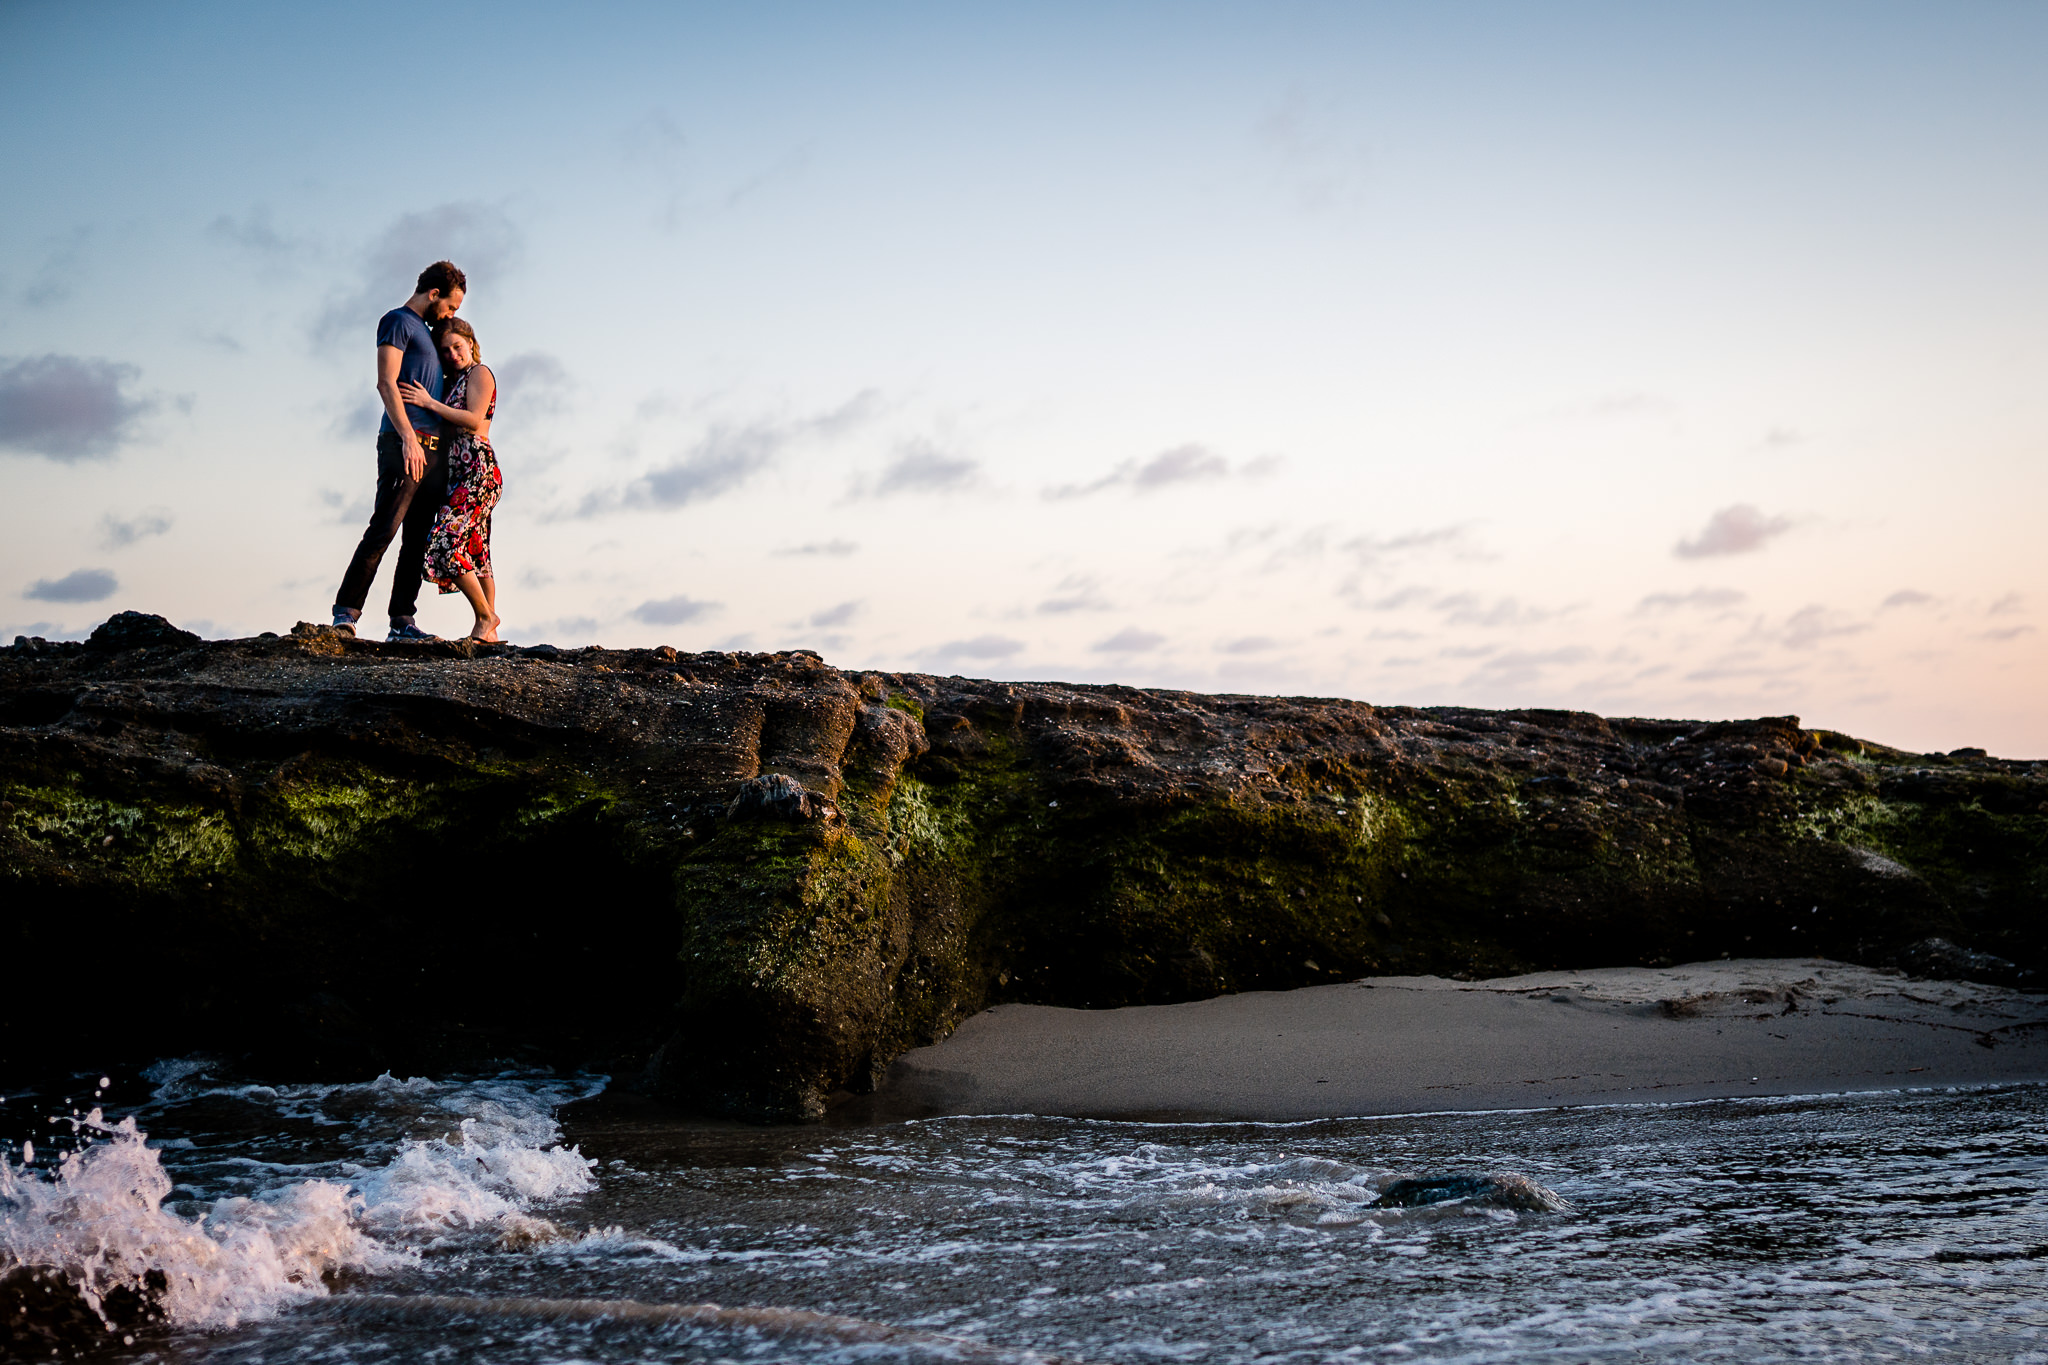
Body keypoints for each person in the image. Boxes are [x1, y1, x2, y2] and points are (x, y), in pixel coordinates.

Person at [329, 260, 466, 641]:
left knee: (417, 540)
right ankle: (346, 614)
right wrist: (407, 436)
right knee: (384, 528)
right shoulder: (398, 322)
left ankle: (402, 622)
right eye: (451, 307)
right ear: (434, 294)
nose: (452, 315)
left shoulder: (427, 332)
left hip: (434, 451)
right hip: (404, 443)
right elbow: (386, 383)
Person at [400, 317, 502, 641]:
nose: (453, 355)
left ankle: (486, 617)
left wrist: (430, 403)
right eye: (446, 351)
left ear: (471, 343)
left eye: (458, 346)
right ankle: (491, 637)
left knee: (444, 543)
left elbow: (473, 419)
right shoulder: (455, 380)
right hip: (459, 474)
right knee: (478, 553)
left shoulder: (480, 374)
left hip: (478, 470)